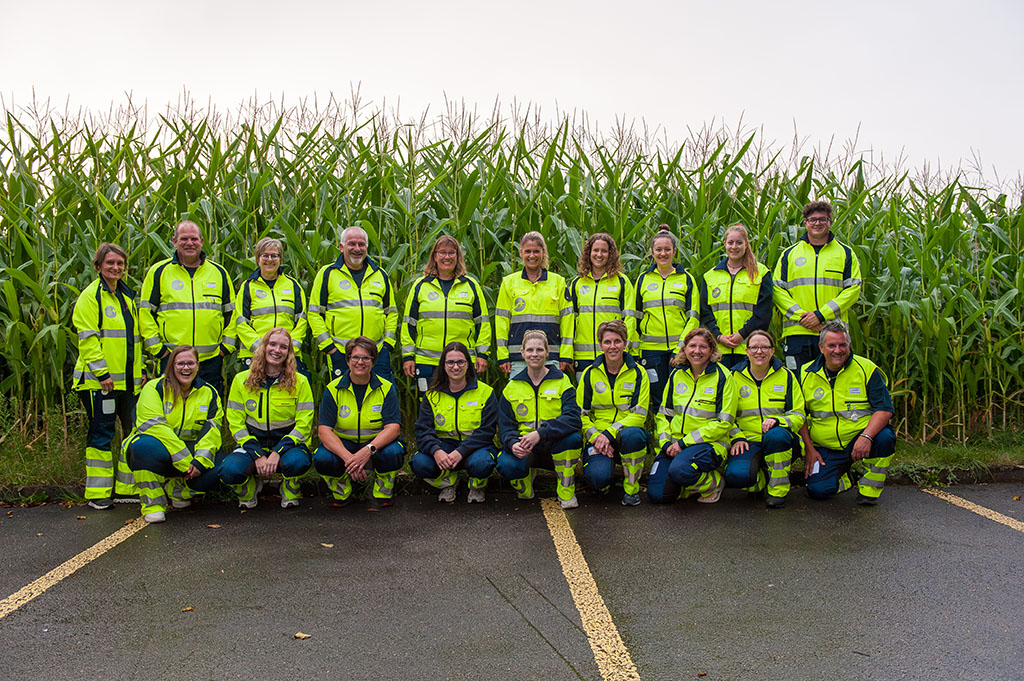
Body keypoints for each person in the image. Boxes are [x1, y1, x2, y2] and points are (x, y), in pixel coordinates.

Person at [71, 243, 142, 509]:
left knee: (132, 431)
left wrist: (142, 371)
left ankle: (126, 487)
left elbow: (133, 341)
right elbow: (88, 339)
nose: (115, 268)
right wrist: (102, 374)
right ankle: (98, 494)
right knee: (102, 433)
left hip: (128, 382)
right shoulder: (91, 296)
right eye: (110, 263)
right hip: (99, 382)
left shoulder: (125, 297)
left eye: (120, 264)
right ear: (98, 265)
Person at [799, 321, 896, 505]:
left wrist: (866, 436)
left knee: (885, 438)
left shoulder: (867, 369)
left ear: (849, 345)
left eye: (842, 345)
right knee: (817, 490)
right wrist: (810, 449)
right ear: (821, 347)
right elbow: (799, 415)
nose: (838, 350)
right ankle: (846, 478)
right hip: (825, 446)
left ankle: (869, 489)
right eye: (832, 345)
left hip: (860, 437)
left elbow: (884, 409)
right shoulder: (806, 372)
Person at [126, 345, 222, 523]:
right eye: (180, 364)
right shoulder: (153, 388)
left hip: (191, 453)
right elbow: (155, 427)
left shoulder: (209, 393)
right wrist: (186, 462)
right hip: (160, 450)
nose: (186, 368)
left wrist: (200, 461)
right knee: (143, 447)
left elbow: (213, 430)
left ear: (198, 365)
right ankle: (153, 504)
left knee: (225, 467)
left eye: (190, 363)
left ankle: (178, 490)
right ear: (171, 366)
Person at [138, 220, 236, 395]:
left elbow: (232, 314)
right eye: (184, 239)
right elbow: (146, 314)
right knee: (171, 407)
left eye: (194, 238)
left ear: (202, 241)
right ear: (175, 242)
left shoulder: (219, 273)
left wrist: (224, 349)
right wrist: (160, 351)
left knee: (210, 410)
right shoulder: (159, 272)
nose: (189, 243)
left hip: (210, 360)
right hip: (172, 359)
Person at [221, 328, 315, 509]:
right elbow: (235, 422)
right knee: (229, 470)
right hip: (252, 443)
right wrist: (257, 454)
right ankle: (248, 488)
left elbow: (304, 424)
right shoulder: (242, 380)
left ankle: (289, 486)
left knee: (299, 462)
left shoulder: (300, 382)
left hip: (287, 445)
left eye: (283, 347)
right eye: (272, 344)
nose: (276, 350)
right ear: (263, 347)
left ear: (289, 353)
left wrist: (277, 452)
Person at [648, 327, 738, 504]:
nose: (697, 351)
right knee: (658, 495)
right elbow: (664, 415)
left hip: (709, 444)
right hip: (675, 445)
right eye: (692, 346)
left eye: (703, 347)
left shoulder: (723, 377)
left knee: (680, 470)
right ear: (685, 349)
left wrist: (684, 443)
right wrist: (666, 443)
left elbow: (723, 423)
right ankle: (686, 482)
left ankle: (713, 483)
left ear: (712, 350)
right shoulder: (677, 375)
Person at [313, 336, 405, 507]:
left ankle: (382, 493)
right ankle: (342, 492)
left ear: (373, 361)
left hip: (376, 445)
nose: (360, 362)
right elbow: (324, 431)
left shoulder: (386, 388)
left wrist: (368, 450)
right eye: (355, 357)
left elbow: (393, 428)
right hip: (344, 445)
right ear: (348, 360)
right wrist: (350, 460)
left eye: (366, 358)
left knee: (394, 452)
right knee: (322, 458)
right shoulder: (333, 389)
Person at [496, 330, 583, 509]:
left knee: (573, 439)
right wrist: (513, 443)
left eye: (539, 350)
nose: (534, 354)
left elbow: (573, 418)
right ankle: (525, 484)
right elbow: (505, 426)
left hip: (554, 445)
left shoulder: (562, 381)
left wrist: (540, 434)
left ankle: (566, 489)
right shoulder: (512, 387)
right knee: (505, 463)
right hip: (525, 447)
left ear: (547, 352)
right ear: (522, 353)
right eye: (530, 350)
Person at [773, 201, 862, 371]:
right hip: (797, 333)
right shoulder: (789, 254)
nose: (817, 223)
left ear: (830, 222)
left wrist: (821, 315)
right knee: (798, 384)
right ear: (805, 223)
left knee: (834, 383)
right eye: (812, 219)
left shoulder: (845, 253)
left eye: (823, 219)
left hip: (833, 334)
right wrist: (804, 317)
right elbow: (778, 290)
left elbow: (853, 290)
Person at [401, 235, 491, 396]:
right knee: (428, 408)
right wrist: (408, 356)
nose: (447, 257)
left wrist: (483, 354)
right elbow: (409, 324)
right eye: (442, 252)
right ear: (434, 256)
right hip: (427, 362)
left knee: (462, 408)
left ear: (458, 256)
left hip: (462, 363)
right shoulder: (421, 286)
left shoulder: (470, 286)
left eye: (451, 253)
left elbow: (482, 323)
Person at [724, 330, 804, 508]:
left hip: (780, 439)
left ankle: (777, 491)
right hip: (747, 440)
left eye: (764, 347)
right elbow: (724, 415)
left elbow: (798, 414)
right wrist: (736, 435)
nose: (759, 351)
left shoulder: (787, 376)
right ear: (746, 351)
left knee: (776, 437)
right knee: (737, 476)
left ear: (773, 351)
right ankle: (762, 477)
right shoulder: (732, 377)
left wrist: (779, 421)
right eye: (754, 347)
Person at [411, 341, 499, 503]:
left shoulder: (486, 392)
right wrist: (436, 451)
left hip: (476, 447)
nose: (455, 367)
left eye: (460, 362)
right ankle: (448, 482)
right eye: (450, 362)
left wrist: (461, 451)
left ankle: (477, 485)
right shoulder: (432, 395)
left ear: (468, 364)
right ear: (443, 365)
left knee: (482, 463)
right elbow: (423, 430)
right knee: (419, 462)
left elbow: (486, 431)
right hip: (444, 446)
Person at [308, 226, 398, 381]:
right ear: (342, 247)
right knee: (343, 400)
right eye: (352, 244)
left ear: (367, 248)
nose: (357, 248)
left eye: (361, 244)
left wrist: (387, 345)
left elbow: (391, 312)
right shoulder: (327, 274)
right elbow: (314, 313)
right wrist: (330, 348)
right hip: (341, 354)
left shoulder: (380, 275)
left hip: (376, 354)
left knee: (382, 400)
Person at [577, 320, 650, 506]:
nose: (612, 346)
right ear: (600, 345)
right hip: (598, 438)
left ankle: (631, 490)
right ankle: (604, 480)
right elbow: (581, 414)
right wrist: (596, 437)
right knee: (597, 480)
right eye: (607, 342)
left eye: (617, 341)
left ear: (625, 343)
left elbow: (640, 415)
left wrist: (610, 433)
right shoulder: (589, 373)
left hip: (626, 435)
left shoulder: (638, 373)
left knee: (633, 435)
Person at [634, 227, 700, 413]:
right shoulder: (643, 280)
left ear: (674, 252)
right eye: (658, 250)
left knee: (679, 395)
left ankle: (677, 435)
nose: (663, 254)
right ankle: (658, 435)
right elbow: (635, 317)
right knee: (656, 396)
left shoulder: (686, 279)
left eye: (667, 249)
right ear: (652, 252)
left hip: (677, 350)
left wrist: (682, 347)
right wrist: (636, 350)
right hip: (650, 351)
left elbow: (693, 316)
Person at [495, 232, 574, 375]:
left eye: (536, 251)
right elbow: (502, 321)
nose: (532, 256)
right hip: (518, 358)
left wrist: (566, 354)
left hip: (551, 357)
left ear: (543, 252)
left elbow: (567, 320)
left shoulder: (558, 282)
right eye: (528, 251)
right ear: (521, 253)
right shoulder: (509, 282)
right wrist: (502, 355)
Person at [233, 237, 309, 377]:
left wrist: (288, 348)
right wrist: (262, 348)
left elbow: (302, 320)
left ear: (281, 259)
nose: (270, 259)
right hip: (254, 354)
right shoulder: (247, 287)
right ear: (257, 259)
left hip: (288, 356)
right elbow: (240, 322)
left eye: (274, 256)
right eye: (265, 255)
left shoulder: (293, 286)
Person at [700, 224, 773, 370]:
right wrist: (719, 336)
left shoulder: (761, 273)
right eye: (730, 242)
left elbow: (764, 312)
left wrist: (741, 335)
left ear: (746, 244)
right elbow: (705, 312)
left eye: (739, 243)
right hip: (719, 349)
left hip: (750, 348)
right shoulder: (710, 276)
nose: (734, 247)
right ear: (724, 244)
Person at [566, 233, 636, 378]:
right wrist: (568, 353)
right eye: (595, 250)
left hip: (612, 355)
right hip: (583, 356)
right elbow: (569, 321)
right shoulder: (577, 283)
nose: (599, 254)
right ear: (588, 253)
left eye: (604, 251)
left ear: (610, 255)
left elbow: (630, 318)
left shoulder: (621, 282)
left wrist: (623, 347)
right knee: (586, 399)